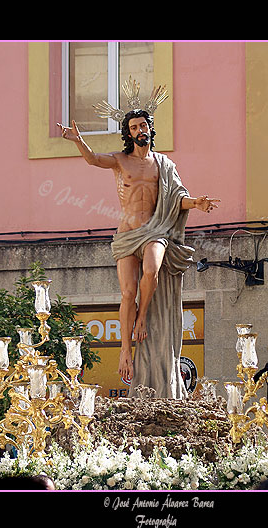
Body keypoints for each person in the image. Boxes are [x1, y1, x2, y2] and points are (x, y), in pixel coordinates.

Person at [58, 86, 219, 399]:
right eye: (133, 127)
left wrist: (196, 203)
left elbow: (177, 198)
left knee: (152, 270)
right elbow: (92, 160)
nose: (139, 130)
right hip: (127, 233)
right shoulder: (121, 161)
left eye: (143, 125)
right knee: (127, 292)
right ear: (128, 133)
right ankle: (125, 352)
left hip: (155, 230)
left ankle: (142, 317)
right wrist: (78, 140)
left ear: (150, 128)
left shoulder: (164, 165)